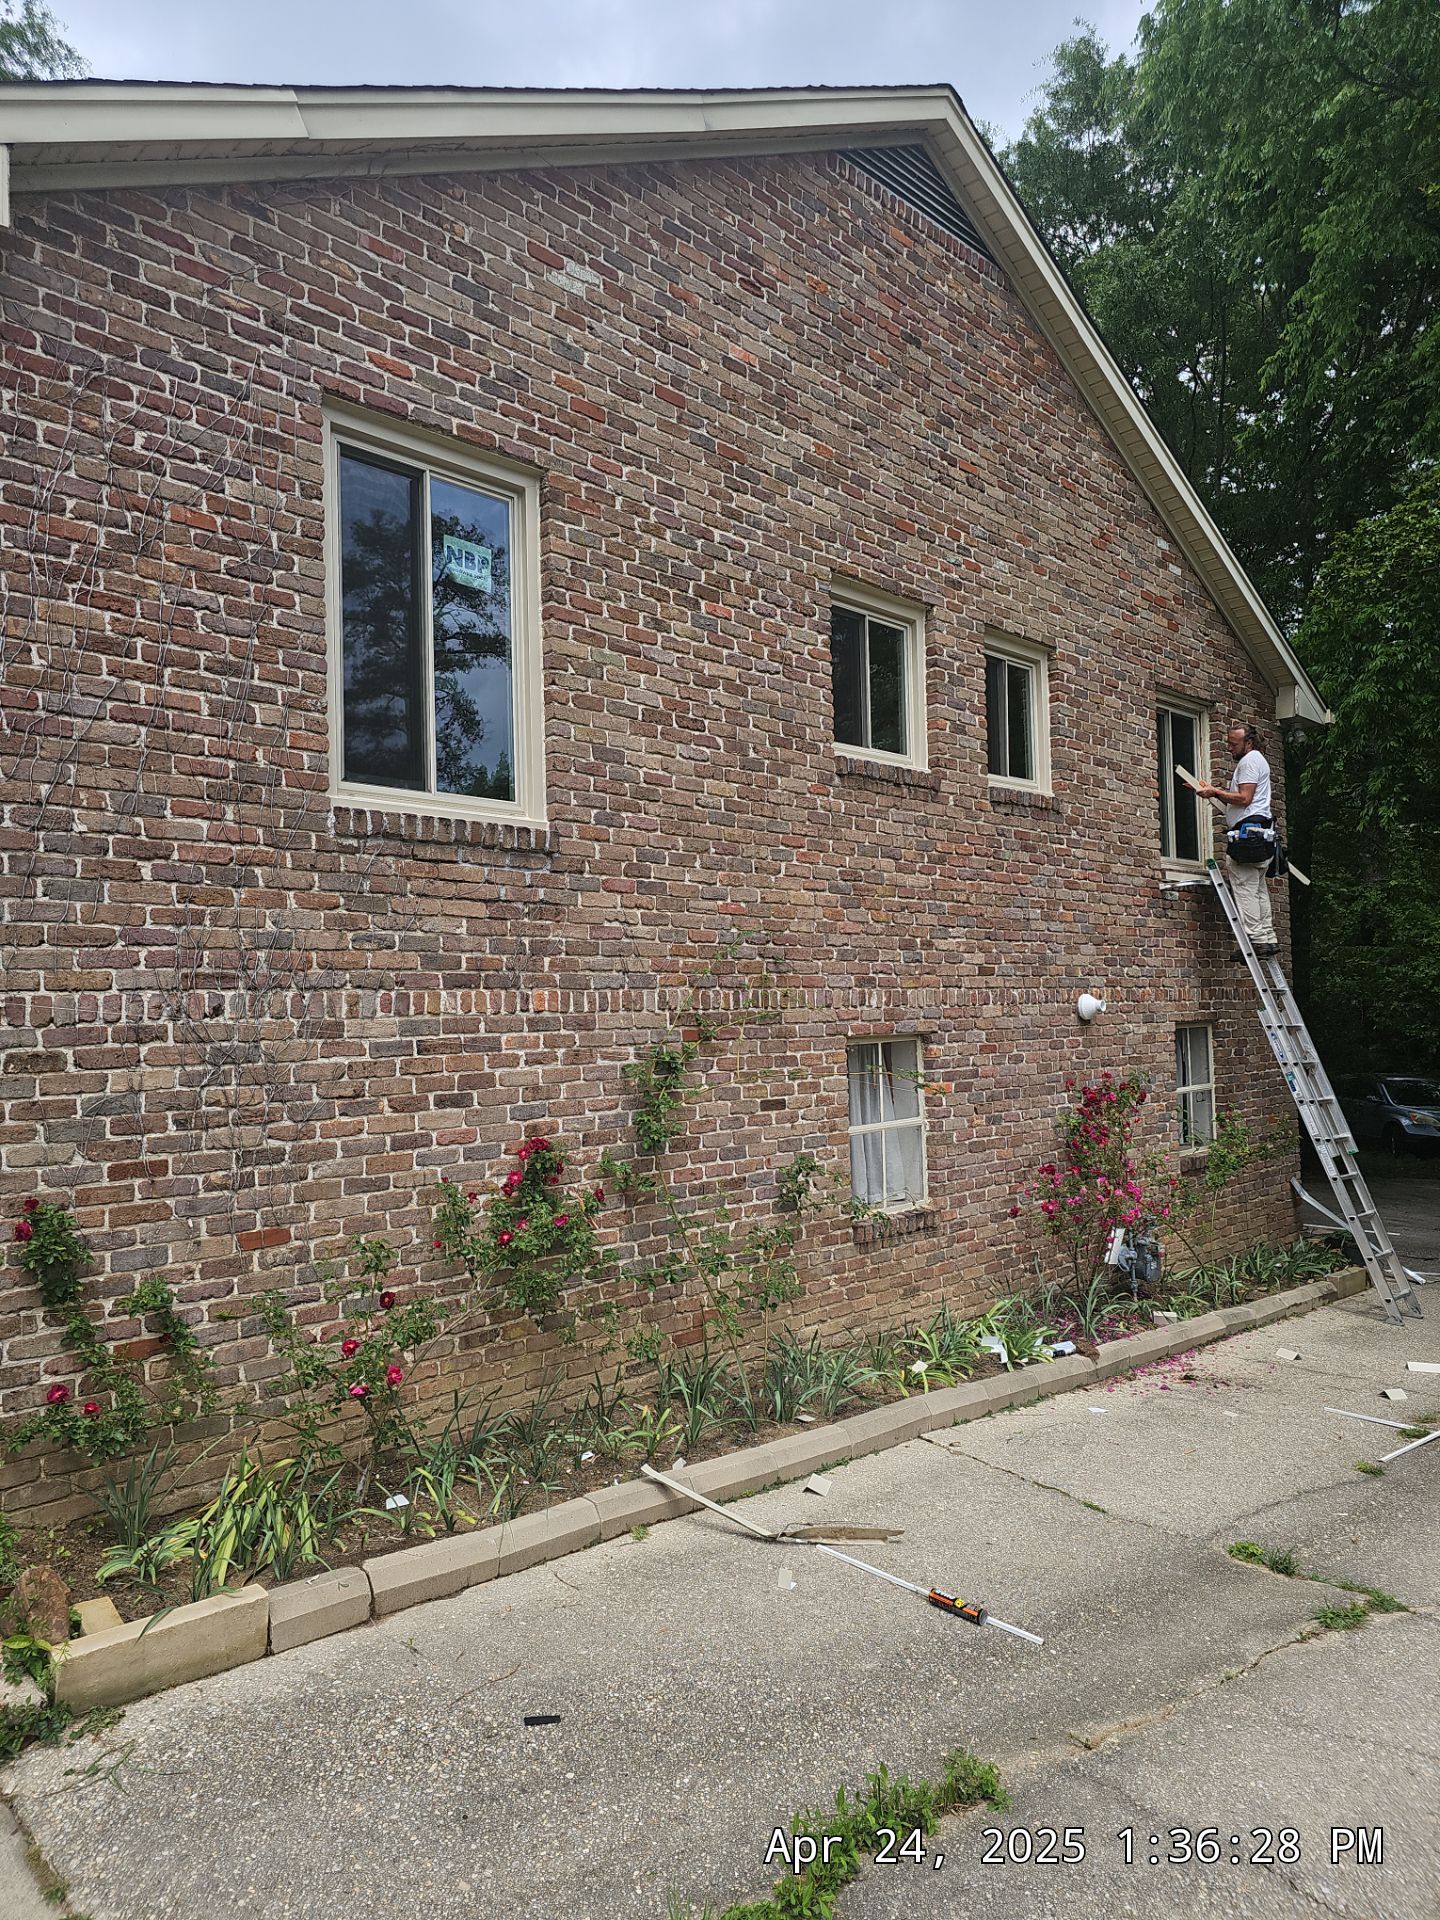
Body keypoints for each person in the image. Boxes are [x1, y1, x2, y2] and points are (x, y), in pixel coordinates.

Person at [1198, 724, 1279, 956]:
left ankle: (1255, 940)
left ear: (1249, 743)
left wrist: (1215, 792)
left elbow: (1244, 798)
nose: (1229, 748)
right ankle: (1267, 936)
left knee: (1245, 889)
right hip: (1261, 835)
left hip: (1248, 836)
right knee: (1257, 889)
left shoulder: (1250, 761)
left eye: (1233, 744)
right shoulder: (1258, 760)